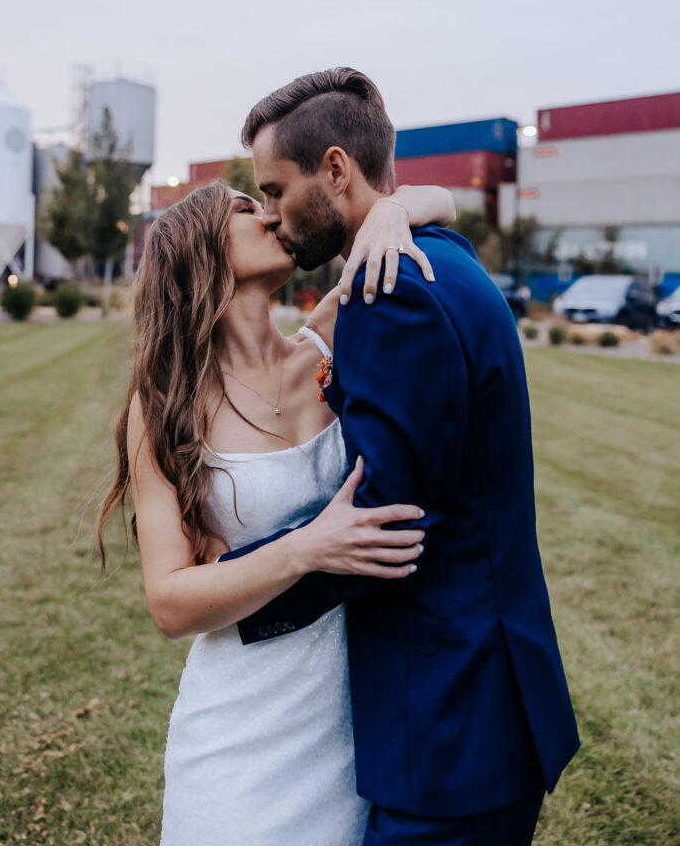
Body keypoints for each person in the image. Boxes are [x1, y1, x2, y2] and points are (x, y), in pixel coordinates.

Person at [218, 67, 581, 846]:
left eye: (277, 189)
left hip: (447, 722)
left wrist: (231, 594)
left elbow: (389, 520)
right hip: (485, 704)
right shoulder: (441, 254)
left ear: (336, 170)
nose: (274, 215)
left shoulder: (391, 290)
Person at [97, 175, 457, 846]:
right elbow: (170, 603)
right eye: (245, 208)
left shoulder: (329, 343)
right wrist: (304, 549)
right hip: (238, 734)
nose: (270, 216)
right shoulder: (164, 407)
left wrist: (389, 213)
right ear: (201, 250)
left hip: (355, 725)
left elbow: (444, 200)